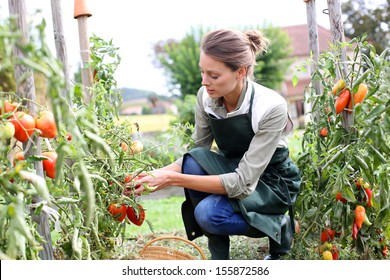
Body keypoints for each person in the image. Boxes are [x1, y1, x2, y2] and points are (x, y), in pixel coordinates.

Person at [133, 28, 301, 260]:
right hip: (233, 167)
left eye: (213, 76)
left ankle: (278, 225)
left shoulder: (270, 107)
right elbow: (197, 154)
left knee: (209, 214)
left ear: (240, 72)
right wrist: (151, 175)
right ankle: (219, 260)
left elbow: (243, 183)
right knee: (194, 159)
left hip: (271, 183)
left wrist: (170, 179)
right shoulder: (207, 98)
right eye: (203, 72)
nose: (205, 82)